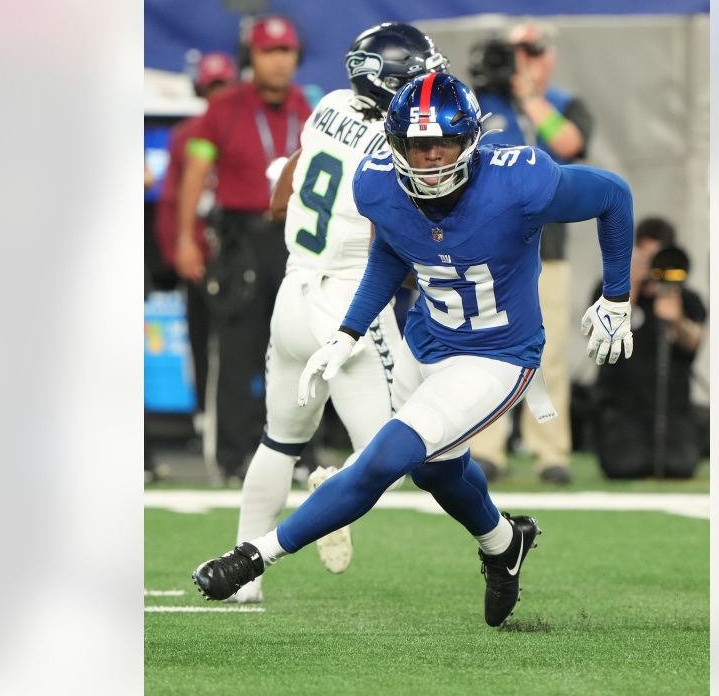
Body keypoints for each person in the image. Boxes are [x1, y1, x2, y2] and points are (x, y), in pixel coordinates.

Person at [193, 73, 635, 627]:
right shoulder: (378, 181)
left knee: (387, 455)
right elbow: (391, 253)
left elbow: (613, 196)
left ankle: (254, 555)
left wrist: (617, 297)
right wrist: (349, 331)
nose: (427, 159)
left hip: (497, 353)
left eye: (441, 144)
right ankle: (503, 543)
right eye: (414, 145)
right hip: (425, 341)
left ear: (469, 140)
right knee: (435, 470)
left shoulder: (520, 182)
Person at [226, 22, 449, 604]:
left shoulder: (325, 105)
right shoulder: (395, 143)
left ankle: (244, 574)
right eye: (420, 71)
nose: (427, 81)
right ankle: (331, 491)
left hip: (293, 289)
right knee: (391, 458)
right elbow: (389, 237)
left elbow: (284, 195)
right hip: (349, 306)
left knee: (278, 442)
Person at [173, 16, 312, 481]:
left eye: (286, 51)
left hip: (296, 239)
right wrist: (185, 237)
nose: (279, 61)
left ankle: (297, 453)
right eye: (269, 52)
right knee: (236, 349)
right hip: (241, 241)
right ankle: (232, 457)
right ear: (250, 58)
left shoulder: (309, 107)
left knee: (301, 347)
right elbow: (196, 171)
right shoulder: (225, 107)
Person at [468, 20, 594, 485]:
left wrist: (528, 97)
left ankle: (550, 450)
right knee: (487, 350)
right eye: (514, 52)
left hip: (547, 248)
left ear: (548, 56)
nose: (522, 59)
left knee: (550, 353)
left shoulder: (561, 105)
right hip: (490, 249)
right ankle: (486, 449)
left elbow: (570, 144)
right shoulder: (482, 105)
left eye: (531, 51)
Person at [155, 51, 238, 424]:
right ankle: (206, 418)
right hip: (201, 253)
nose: (218, 93)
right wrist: (179, 249)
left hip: (240, 252)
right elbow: (171, 199)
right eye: (211, 86)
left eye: (223, 85)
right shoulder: (185, 135)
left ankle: (246, 421)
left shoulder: (243, 125)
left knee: (246, 343)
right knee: (202, 340)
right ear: (200, 89)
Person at [592, 216, 707, 479]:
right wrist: (627, 290)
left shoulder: (687, 299)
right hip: (624, 408)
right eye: (646, 257)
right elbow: (599, 338)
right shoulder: (609, 292)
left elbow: (694, 344)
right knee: (624, 466)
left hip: (671, 409)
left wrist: (676, 319)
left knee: (680, 467)